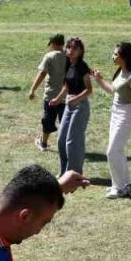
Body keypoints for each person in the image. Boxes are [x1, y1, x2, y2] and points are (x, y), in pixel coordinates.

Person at [90, 42, 131, 199]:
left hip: (126, 114)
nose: (112, 56)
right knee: (118, 150)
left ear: (125, 57)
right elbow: (112, 91)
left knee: (112, 150)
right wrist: (99, 79)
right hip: (115, 113)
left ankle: (119, 188)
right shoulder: (120, 73)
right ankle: (123, 183)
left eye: (116, 54)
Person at [48, 37, 93, 175]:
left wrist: (76, 99)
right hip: (69, 104)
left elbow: (89, 89)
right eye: (69, 47)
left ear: (80, 51)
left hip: (80, 107)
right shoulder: (68, 64)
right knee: (61, 139)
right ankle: (63, 172)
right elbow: (67, 86)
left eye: (75, 48)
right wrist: (57, 99)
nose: (71, 50)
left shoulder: (82, 66)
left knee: (72, 141)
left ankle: (74, 174)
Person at [28, 34, 68, 153]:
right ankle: (65, 145)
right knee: (65, 121)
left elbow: (42, 74)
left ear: (54, 43)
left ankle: (43, 143)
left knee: (48, 120)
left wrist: (33, 89)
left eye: (50, 43)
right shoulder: (69, 55)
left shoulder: (49, 56)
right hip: (66, 95)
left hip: (51, 96)